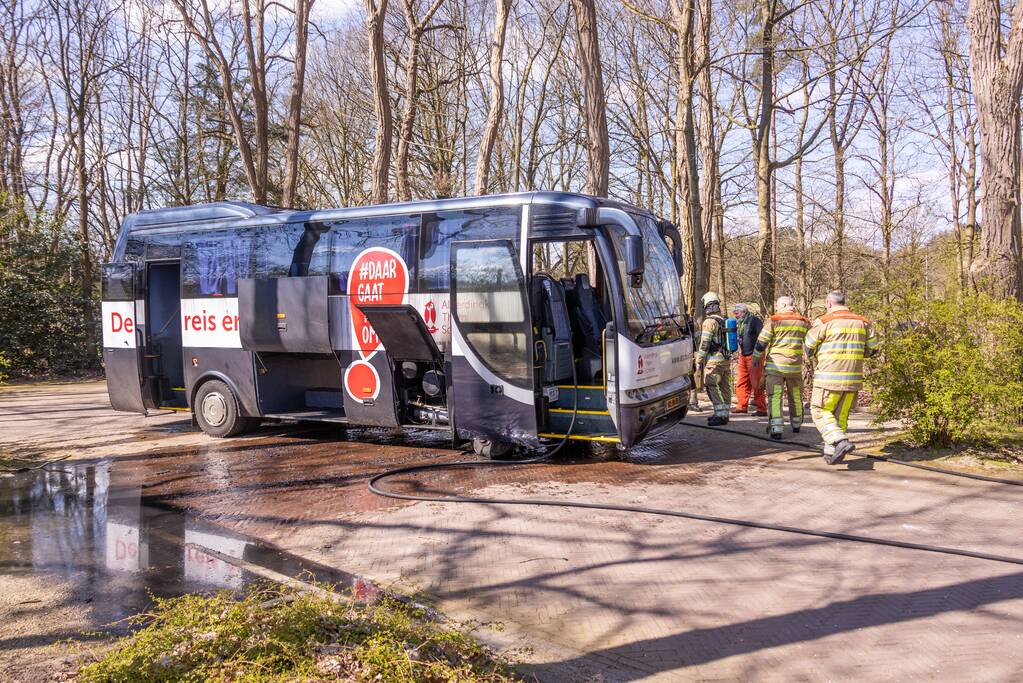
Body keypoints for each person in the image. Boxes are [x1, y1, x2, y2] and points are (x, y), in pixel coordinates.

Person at [804, 290, 880, 464]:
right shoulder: (864, 322)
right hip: (853, 379)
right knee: (840, 416)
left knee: (819, 410)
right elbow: (874, 349)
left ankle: (839, 441)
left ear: (829, 304)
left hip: (828, 378)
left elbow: (808, 347)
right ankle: (832, 453)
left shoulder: (824, 321)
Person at [753, 295, 811, 440]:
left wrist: (755, 358)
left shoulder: (774, 320)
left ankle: (776, 429)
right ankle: (796, 424)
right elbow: (811, 344)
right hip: (795, 368)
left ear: (784, 305)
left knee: (775, 396)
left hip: (775, 369)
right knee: (796, 396)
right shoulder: (803, 322)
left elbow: (761, 342)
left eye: (778, 305)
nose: (777, 308)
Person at [695, 291, 732, 426]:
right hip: (726, 359)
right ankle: (725, 413)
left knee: (711, 384)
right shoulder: (724, 319)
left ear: (707, 306)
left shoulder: (709, 322)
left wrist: (699, 360)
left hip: (714, 360)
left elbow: (705, 343)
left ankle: (720, 414)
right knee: (725, 386)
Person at [732, 303, 767, 416]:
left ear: (744, 312)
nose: (736, 316)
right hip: (743, 355)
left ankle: (762, 409)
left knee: (756, 383)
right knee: (741, 382)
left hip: (755, 355)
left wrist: (759, 354)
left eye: (737, 313)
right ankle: (741, 406)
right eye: (735, 314)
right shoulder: (739, 323)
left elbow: (763, 337)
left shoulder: (754, 320)